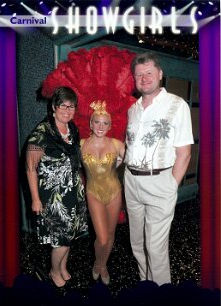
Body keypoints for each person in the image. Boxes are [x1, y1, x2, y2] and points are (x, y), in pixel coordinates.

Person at [124, 52, 194, 286]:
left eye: (149, 73)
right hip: (131, 182)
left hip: (160, 182)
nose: (144, 78)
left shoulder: (177, 105)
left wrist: (170, 185)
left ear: (160, 74)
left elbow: (184, 152)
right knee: (137, 242)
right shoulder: (132, 110)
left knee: (155, 247)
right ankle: (146, 285)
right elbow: (131, 147)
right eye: (139, 75)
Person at [26, 86, 88, 287]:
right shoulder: (41, 132)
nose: (68, 110)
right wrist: (35, 199)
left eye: (72, 106)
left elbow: (75, 161)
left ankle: (62, 267)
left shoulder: (73, 129)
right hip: (53, 196)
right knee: (61, 239)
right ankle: (54, 271)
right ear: (54, 106)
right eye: (63, 105)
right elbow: (30, 169)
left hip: (73, 191)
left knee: (69, 236)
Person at [80, 101, 125, 285]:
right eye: (97, 122)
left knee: (111, 232)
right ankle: (98, 263)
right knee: (102, 237)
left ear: (110, 125)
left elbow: (136, 157)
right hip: (93, 193)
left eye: (105, 123)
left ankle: (102, 265)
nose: (100, 126)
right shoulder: (81, 144)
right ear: (90, 124)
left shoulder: (117, 144)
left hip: (114, 192)